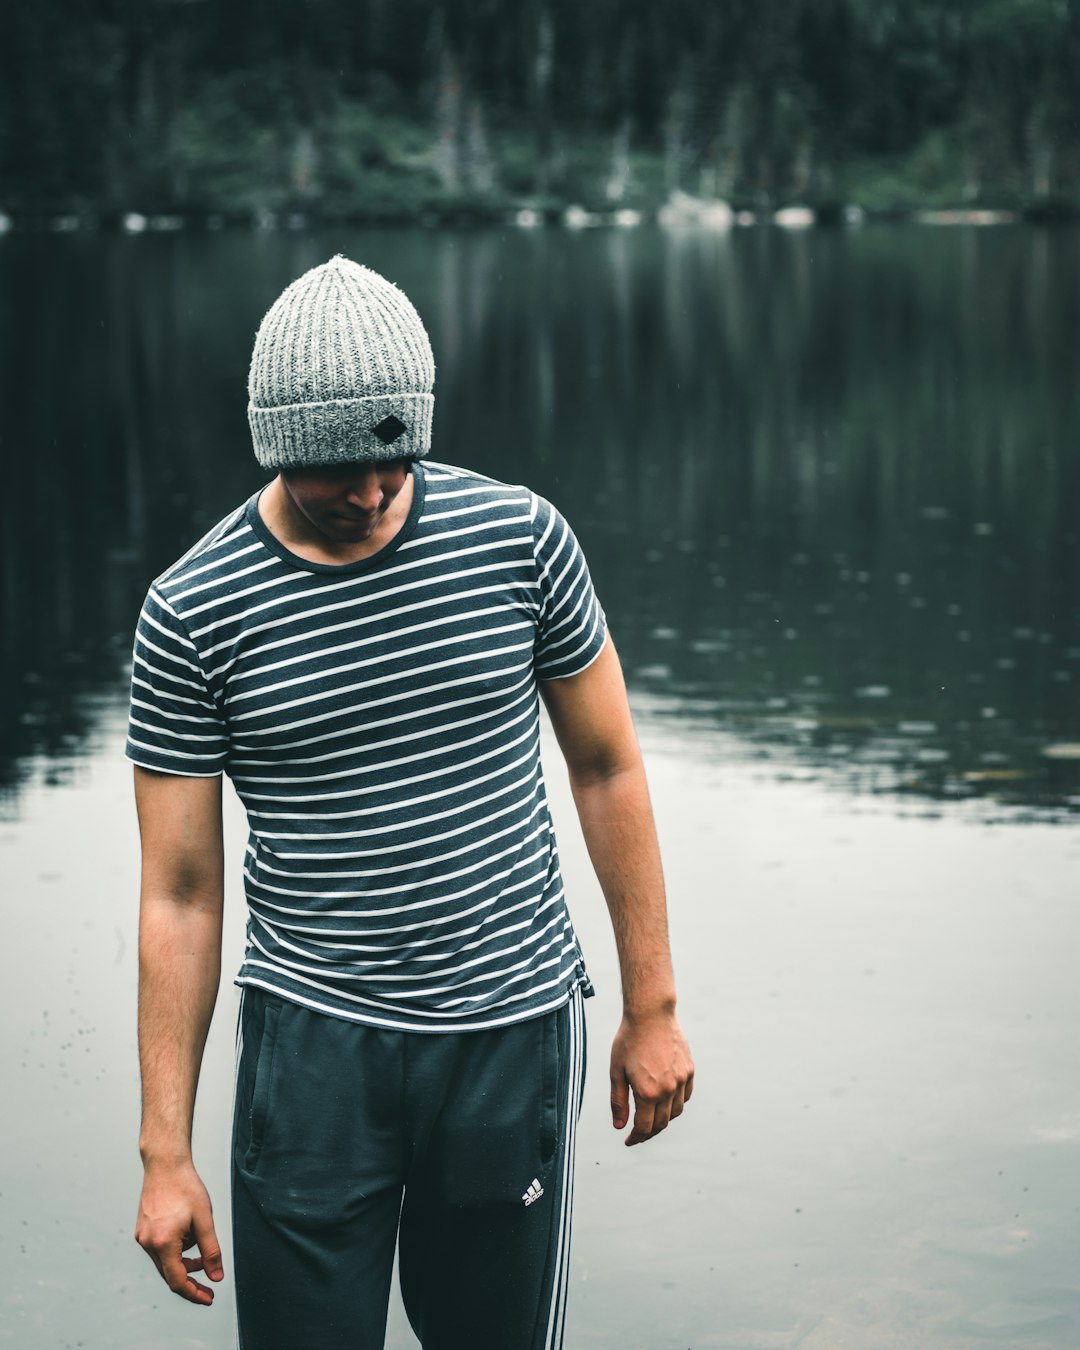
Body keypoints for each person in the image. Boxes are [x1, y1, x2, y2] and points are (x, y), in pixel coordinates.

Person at [129, 255, 693, 1350]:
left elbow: (608, 766)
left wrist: (653, 1006)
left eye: (396, 464)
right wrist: (165, 1152)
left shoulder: (522, 539)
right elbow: (182, 895)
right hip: (313, 1054)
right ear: (279, 444)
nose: (374, 494)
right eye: (339, 470)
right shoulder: (192, 612)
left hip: (506, 1032)